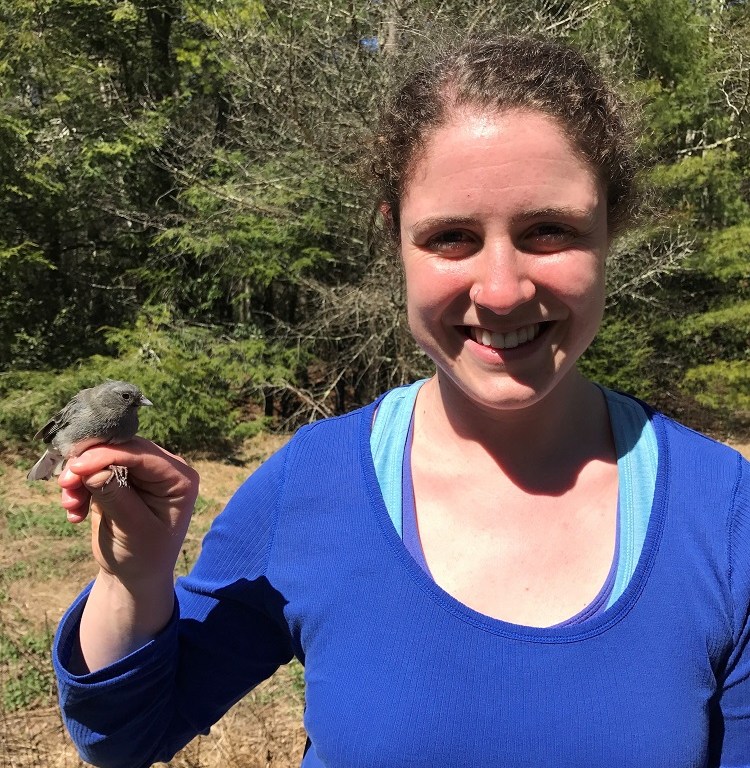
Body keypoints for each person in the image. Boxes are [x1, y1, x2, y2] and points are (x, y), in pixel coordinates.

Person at [53, 35, 750, 768]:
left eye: (550, 230)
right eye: (451, 237)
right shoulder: (312, 485)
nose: (503, 288)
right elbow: (126, 735)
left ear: (613, 226)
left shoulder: (724, 510)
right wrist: (134, 577)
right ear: (396, 242)